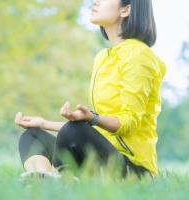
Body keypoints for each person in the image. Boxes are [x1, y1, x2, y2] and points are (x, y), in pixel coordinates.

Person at [15, 0, 166, 179]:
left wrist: (92, 118)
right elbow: (95, 130)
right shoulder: (102, 57)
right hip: (103, 154)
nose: (95, 1)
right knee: (33, 136)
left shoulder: (139, 55)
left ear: (125, 10)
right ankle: (44, 179)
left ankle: (57, 180)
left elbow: (127, 123)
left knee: (74, 129)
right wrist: (43, 124)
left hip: (133, 170)